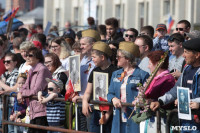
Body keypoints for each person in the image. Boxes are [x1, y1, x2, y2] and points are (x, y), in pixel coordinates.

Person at [150, 38, 200, 132]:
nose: (184, 55)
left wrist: (197, 103)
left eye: (186, 52)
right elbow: (176, 90)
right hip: (185, 120)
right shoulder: (186, 69)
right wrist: (160, 101)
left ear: (197, 55)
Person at [107, 41, 149, 133]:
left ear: (128, 58)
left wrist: (141, 100)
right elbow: (109, 93)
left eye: (119, 56)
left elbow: (147, 95)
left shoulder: (142, 75)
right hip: (118, 117)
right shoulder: (115, 74)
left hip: (134, 117)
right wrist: (113, 99)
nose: (116, 58)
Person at [82, 41, 118, 133]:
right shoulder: (94, 71)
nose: (92, 59)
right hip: (96, 111)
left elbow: (115, 94)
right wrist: (84, 102)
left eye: (94, 57)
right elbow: (88, 91)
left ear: (102, 57)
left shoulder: (115, 71)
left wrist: (108, 115)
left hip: (111, 113)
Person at [69, 29, 99, 131]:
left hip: (92, 104)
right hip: (79, 102)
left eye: (83, 44)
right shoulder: (82, 59)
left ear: (93, 44)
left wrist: (84, 97)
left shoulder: (98, 62)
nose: (80, 47)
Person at [17, 47, 52, 133]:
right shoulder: (31, 70)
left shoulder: (42, 69)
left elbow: (36, 90)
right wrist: (19, 93)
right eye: (26, 55)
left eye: (30, 55)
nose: (27, 57)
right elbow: (24, 86)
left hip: (42, 110)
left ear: (38, 57)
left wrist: (22, 94)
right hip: (33, 109)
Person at [0, 52, 19, 133]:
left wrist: (1, 83)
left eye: (8, 61)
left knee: (10, 129)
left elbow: (15, 89)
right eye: (5, 62)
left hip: (11, 105)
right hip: (2, 105)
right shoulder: (3, 75)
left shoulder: (17, 74)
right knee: (1, 127)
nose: (6, 63)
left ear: (15, 62)